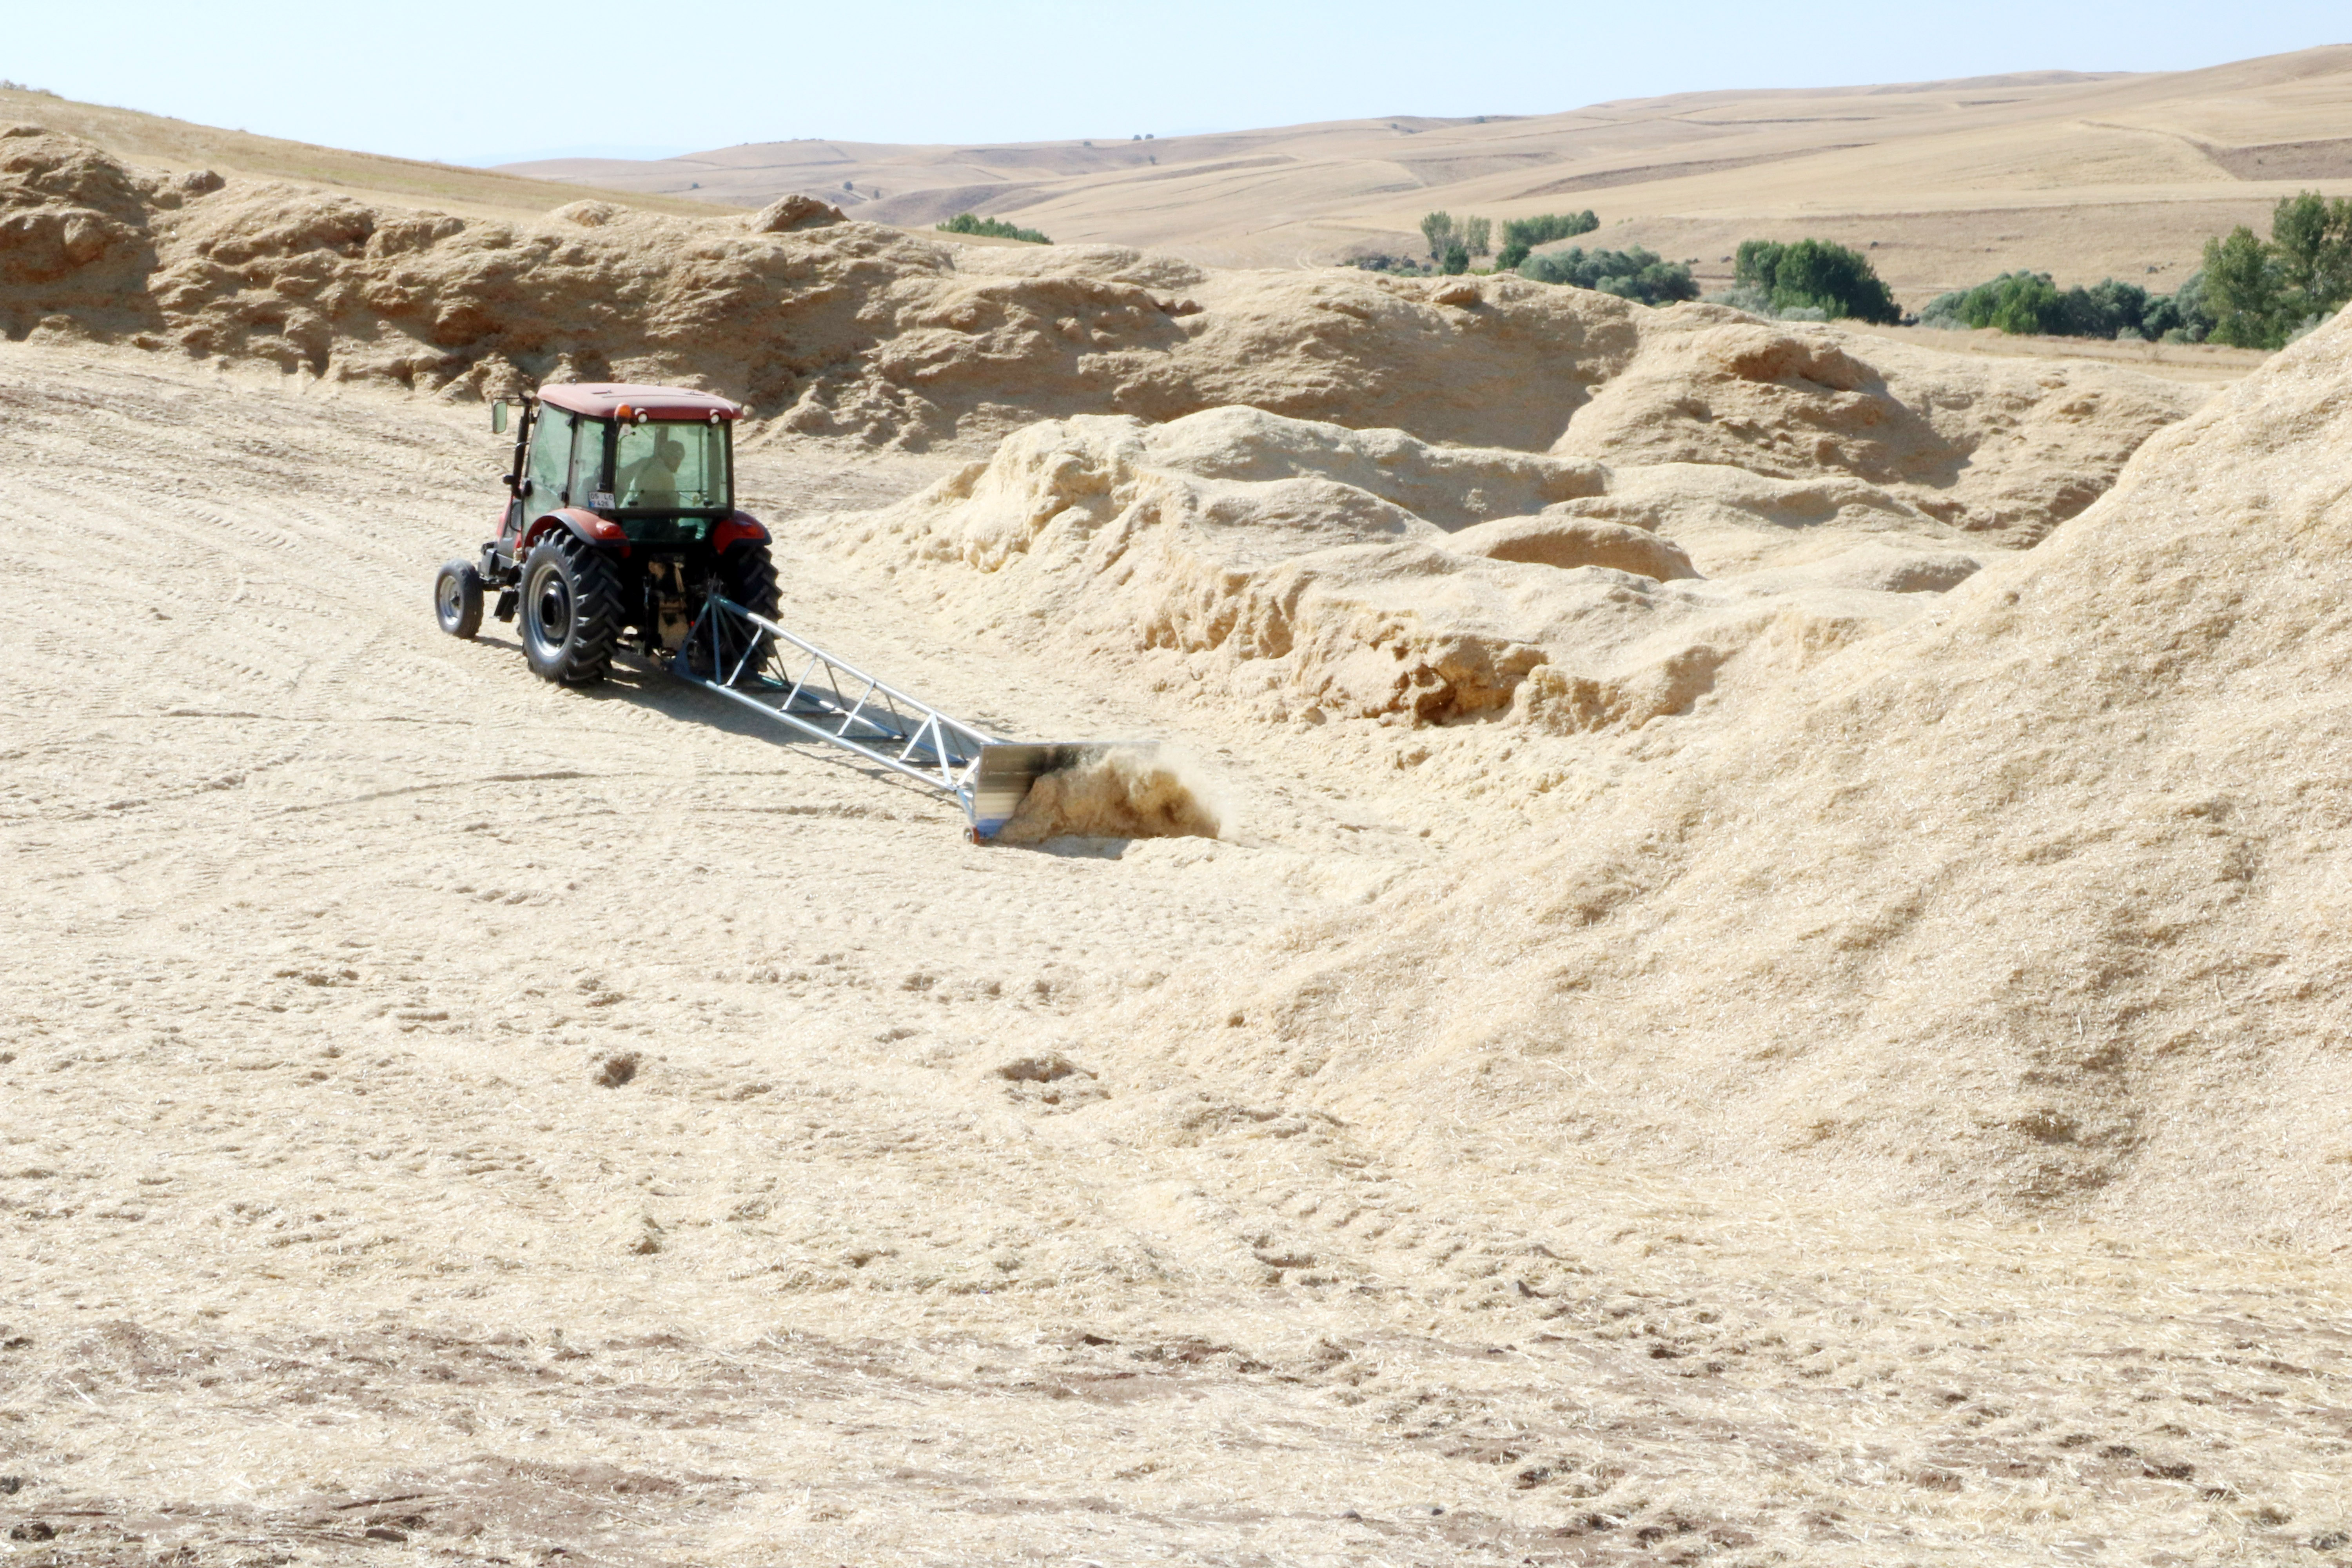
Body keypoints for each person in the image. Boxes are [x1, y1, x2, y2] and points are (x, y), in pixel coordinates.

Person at [617, 429, 686, 505]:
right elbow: (673, 509)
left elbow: (622, 476)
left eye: (680, 459)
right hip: (650, 514)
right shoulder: (667, 477)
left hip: (631, 509)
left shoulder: (644, 462)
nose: (679, 463)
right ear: (667, 455)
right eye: (676, 458)